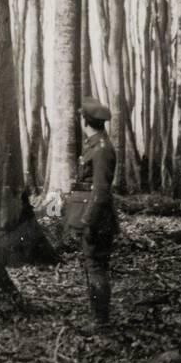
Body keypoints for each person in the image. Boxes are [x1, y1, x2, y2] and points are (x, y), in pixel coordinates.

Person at [68, 97, 118, 325]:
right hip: (93, 216)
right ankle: (98, 316)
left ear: (84, 121)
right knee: (93, 266)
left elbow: (101, 191)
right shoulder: (94, 145)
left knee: (96, 267)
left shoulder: (101, 150)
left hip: (97, 219)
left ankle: (101, 321)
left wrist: (88, 220)